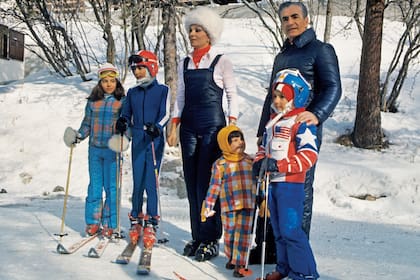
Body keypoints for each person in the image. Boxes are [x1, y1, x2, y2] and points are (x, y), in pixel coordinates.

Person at [257, 1, 342, 239]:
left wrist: (317, 114)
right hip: (277, 131)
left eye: (295, 17)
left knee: (299, 188)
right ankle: (277, 247)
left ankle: (298, 248)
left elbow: (333, 87)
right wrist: (262, 130)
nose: (290, 22)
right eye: (285, 19)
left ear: (306, 19)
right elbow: (270, 96)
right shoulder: (282, 56)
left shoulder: (320, 50)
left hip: (303, 131)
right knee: (275, 185)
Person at [167, 6, 238, 261]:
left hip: (212, 128)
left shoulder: (221, 61)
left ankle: (210, 238)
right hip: (189, 127)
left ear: (209, 33)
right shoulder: (185, 62)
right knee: (191, 182)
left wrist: (231, 126)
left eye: (198, 30)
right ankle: (197, 235)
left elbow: (232, 95)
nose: (193, 34)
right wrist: (174, 124)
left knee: (208, 185)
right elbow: (181, 96)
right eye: (191, 30)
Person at [255, 69, 319, 280]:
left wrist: (280, 165)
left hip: (290, 184)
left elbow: (309, 156)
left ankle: (305, 273)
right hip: (272, 184)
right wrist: (260, 162)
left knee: (292, 231)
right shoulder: (273, 122)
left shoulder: (301, 123)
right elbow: (264, 148)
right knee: (278, 231)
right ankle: (284, 268)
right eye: (275, 96)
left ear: (296, 96)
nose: (278, 100)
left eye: (283, 96)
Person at [63, 63, 125, 238]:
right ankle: (92, 222)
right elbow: (87, 124)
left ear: (116, 81)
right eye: (105, 81)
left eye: (112, 80)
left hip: (113, 151)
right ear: (100, 82)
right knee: (95, 187)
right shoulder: (93, 102)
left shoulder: (122, 101)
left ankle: (110, 223)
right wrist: (78, 136)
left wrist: (123, 138)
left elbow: (127, 125)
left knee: (112, 187)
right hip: (95, 150)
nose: (108, 84)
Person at [115, 50, 170, 246]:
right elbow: (126, 113)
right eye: (134, 69)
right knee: (138, 180)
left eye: (140, 68)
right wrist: (122, 122)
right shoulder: (132, 92)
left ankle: (152, 220)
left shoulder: (163, 90)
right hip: (138, 138)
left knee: (150, 181)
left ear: (151, 67)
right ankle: (136, 217)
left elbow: (165, 113)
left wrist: (159, 126)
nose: (137, 72)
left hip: (154, 139)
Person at [201, 125, 255, 277]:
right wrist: (208, 204)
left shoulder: (250, 161)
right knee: (230, 233)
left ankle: (240, 263)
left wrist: (263, 199)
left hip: (248, 204)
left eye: (241, 139)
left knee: (243, 234)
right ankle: (232, 257)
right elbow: (214, 186)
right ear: (225, 143)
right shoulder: (220, 165)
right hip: (229, 205)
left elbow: (259, 182)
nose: (240, 143)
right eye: (235, 140)